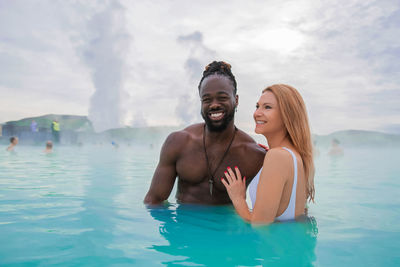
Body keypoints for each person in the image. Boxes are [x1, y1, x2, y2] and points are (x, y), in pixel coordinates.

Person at [144, 61, 266, 205]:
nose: (214, 104)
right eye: (207, 99)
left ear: (236, 100)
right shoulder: (178, 143)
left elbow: (271, 211)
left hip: (226, 226)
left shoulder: (254, 155)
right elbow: (153, 201)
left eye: (222, 98)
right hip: (181, 225)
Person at [221, 84, 315, 224]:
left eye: (267, 107)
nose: (257, 113)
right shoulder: (294, 156)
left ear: (287, 115)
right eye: (257, 106)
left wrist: (238, 198)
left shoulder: (277, 157)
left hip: (270, 245)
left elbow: (259, 225)